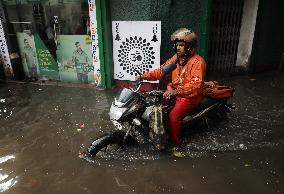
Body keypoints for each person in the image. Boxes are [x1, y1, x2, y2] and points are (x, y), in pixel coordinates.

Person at [138, 28, 206, 145]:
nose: (178, 48)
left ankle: (176, 143)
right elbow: (161, 71)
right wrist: (143, 76)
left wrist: (176, 92)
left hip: (190, 97)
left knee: (174, 116)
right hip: (174, 92)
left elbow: (196, 85)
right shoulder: (176, 58)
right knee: (154, 106)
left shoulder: (198, 61)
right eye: (177, 45)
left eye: (181, 45)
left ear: (190, 47)